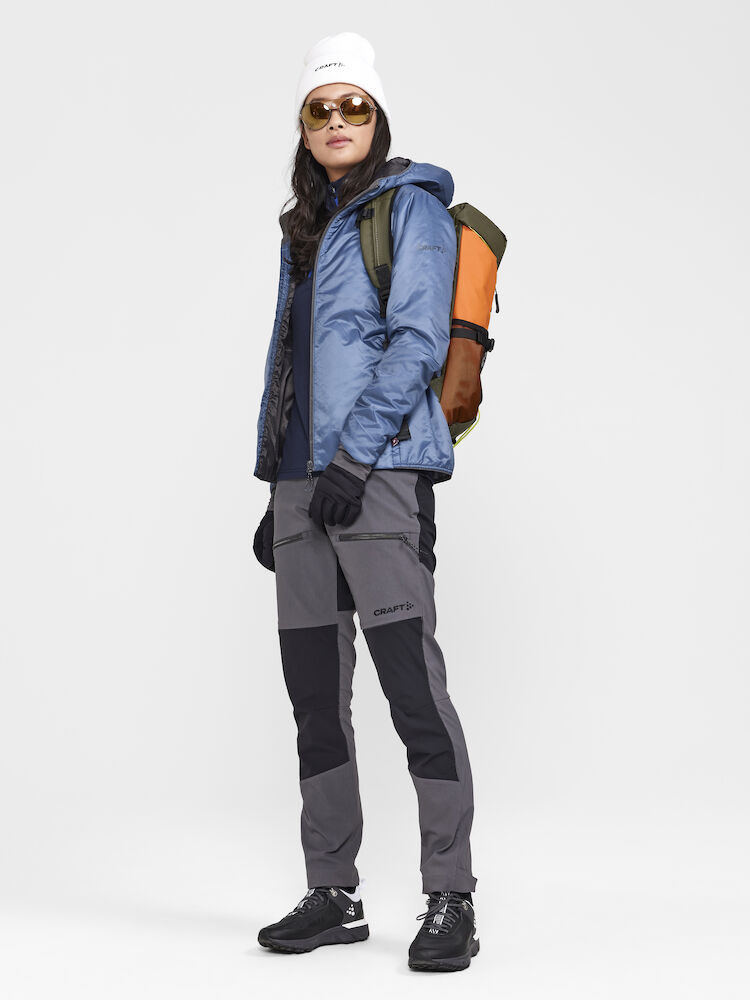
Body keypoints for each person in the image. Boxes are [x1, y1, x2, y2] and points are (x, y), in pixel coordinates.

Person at [252, 31, 479, 973]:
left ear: (378, 118)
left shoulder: (410, 208)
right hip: (303, 488)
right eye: (321, 109)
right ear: (304, 128)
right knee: (315, 700)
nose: (337, 120)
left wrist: (349, 464)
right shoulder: (304, 228)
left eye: (354, 106)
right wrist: (280, 479)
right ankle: (334, 893)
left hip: (379, 478)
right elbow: (294, 363)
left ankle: (451, 897)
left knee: (411, 693)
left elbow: (417, 341)